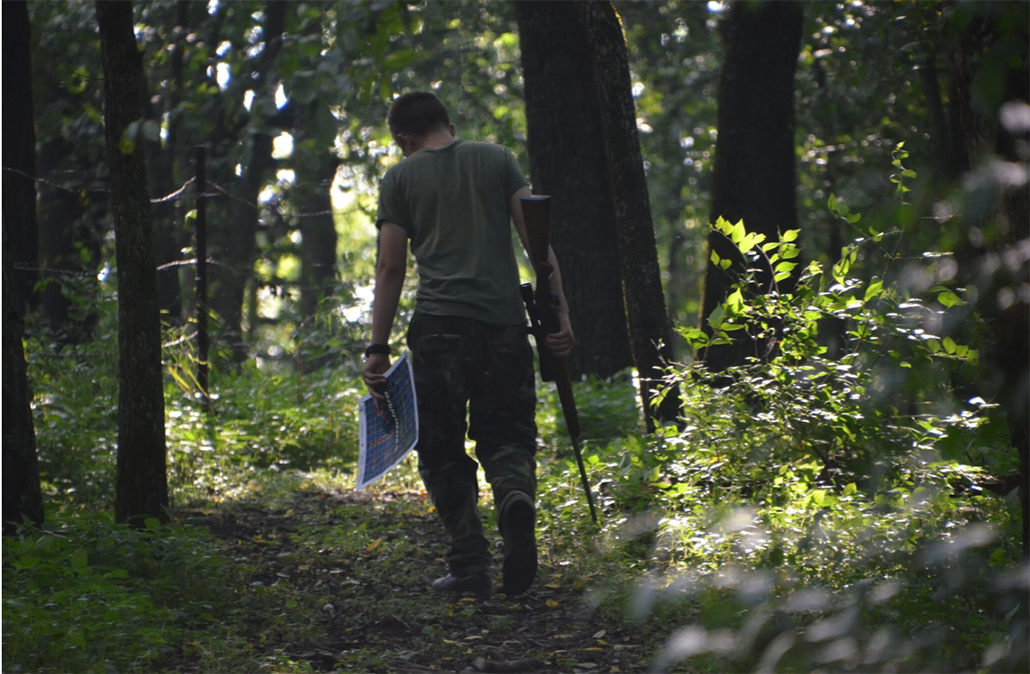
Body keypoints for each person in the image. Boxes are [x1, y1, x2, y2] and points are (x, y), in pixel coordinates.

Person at [362, 91, 574, 598]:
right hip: (504, 327)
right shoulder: (497, 159)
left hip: (438, 332)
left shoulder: (400, 178)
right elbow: (537, 246)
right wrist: (559, 314)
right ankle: (514, 494)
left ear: (404, 139)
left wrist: (377, 346)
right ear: (448, 124)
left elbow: (392, 266)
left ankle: (470, 565)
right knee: (507, 435)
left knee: (441, 450)